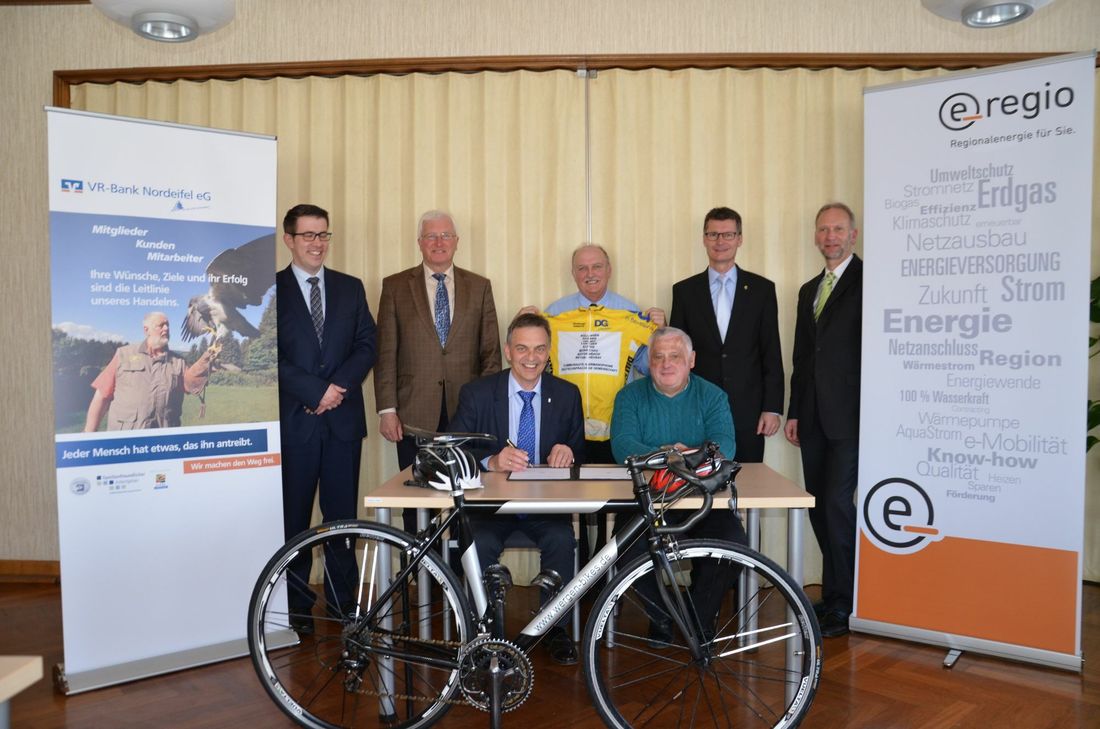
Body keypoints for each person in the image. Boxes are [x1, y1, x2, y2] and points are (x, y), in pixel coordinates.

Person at [449, 312, 584, 665]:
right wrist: (491, 460)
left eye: (540, 349)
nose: (531, 357)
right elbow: (456, 447)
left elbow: (578, 446)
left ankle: (553, 628)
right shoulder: (477, 393)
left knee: (561, 541)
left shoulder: (567, 394)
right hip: (491, 509)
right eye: (522, 348)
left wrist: (568, 450)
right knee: (479, 546)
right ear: (508, 350)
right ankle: (486, 632)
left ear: (549, 351)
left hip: (545, 507)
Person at [276, 203, 377, 634]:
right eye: (308, 236)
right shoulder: (269, 289)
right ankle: (297, 610)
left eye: (324, 235)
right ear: (290, 240)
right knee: (293, 523)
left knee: (341, 521)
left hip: (341, 425)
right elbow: (266, 358)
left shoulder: (350, 288)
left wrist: (336, 389)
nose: (317, 244)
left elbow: (367, 344)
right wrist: (314, 391)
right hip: (295, 423)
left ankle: (342, 607)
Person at [610, 326, 747, 641]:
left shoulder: (712, 395)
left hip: (702, 502)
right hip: (648, 502)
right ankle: (662, 617)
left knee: (733, 547)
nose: (666, 364)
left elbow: (724, 445)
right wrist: (673, 454)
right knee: (625, 553)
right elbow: (622, 446)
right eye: (658, 356)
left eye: (675, 356)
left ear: (692, 360)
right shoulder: (629, 397)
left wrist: (667, 456)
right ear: (649, 362)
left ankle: (697, 620)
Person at [374, 210, 501, 534]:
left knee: (466, 494)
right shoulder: (395, 286)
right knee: (418, 499)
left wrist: (488, 410)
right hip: (413, 413)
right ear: (420, 243)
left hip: (467, 412)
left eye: (446, 235)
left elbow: (490, 353)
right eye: (431, 236)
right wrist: (387, 410)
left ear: (456, 242)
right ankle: (419, 574)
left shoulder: (480, 286)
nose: (439, 242)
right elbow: (385, 352)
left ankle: (458, 577)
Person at [784, 202, 863, 639]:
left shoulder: (870, 281)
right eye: (823, 230)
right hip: (812, 417)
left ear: (853, 235)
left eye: (838, 229)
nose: (830, 236)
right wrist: (795, 411)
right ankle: (836, 595)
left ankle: (848, 601)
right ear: (816, 237)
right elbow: (801, 358)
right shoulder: (808, 290)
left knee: (836, 503)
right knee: (820, 506)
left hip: (851, 417)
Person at [670, 207, 783, 464]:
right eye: (713, 234)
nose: (720, 242)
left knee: (747, 486)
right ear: (704, 239)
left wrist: (772, 408)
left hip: (748, 411)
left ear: (739, 239)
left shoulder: (762, 290)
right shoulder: (685, 291)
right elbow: (679, 355)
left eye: (728, 235)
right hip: (698, 408)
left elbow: (771, 351)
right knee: (699, 484)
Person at [84, 311, 215, 431]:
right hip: (124, 442)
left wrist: (207, 361)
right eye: (161, 325)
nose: (167, 328)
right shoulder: (123, 354)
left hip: (163, 443)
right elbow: (101, 395)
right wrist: (89, 433)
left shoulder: (179, 362)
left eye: (168, 325)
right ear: (146, 330)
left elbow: (190, 384)